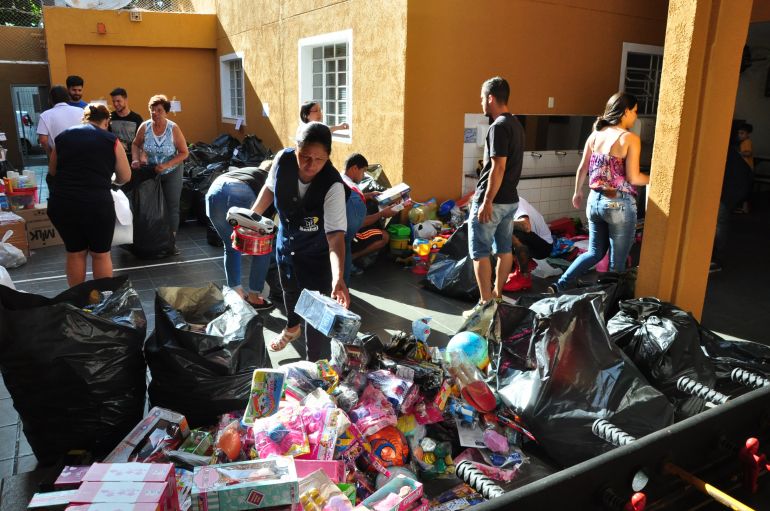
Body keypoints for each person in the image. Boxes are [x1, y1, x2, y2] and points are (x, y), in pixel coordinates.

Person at [251, 122, 350, 360]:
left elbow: (335, 236)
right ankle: (292, 328)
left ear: (328, 157)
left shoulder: (333, 186)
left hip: (317, 256)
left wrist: (338, 277)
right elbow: (269, 189)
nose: (310, 165)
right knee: (290, 291)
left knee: (316, 321)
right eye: (304, 156)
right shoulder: (282, 161)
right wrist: (250, 220)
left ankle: (314, 370)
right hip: (287, 245)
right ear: (296, 148)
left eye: (319, 159)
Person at [548, 92, 649, 293]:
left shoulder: (595, 135)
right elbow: (633, 178)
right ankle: (606, 304)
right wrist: (656, 179)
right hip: (618, 204)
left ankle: (559, 285)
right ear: (625, 111)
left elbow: (582, 168)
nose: (636, 116)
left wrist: (577, 192)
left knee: (594, 252)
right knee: (617, 263)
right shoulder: (629, 138)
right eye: (635, 111)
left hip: (594, 202)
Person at [47, 103, 131, 286]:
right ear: (106, 121)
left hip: (63, 203)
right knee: (100, 254)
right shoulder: (111, 140)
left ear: (84, 118)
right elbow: (125, 176)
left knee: (75, 252)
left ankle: (78, 302)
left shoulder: (62, 137)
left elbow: (53, 171)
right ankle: (103, 301)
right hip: (96, 205)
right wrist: (111, 181)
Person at [465, 76, 525, 316]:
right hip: (511, 200)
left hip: (495, 201)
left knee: (479, 252)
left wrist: (486, 200)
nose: (480, 102)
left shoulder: (498, 126)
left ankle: (485, 304)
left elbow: (498, 167)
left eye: (481, 97)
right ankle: (498, 297)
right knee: (504, 249)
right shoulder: (516, 124)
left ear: (491, 98)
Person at [205, 166, 274, 310]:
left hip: (214, 191)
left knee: (231, 245)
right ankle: (254, 296)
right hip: (239, 193)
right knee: (264, 247)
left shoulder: (248, 171)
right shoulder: (272, 178)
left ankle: (236, 293)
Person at [131, 94, 189, 252]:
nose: (154, 113)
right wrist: (135, 159)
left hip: (171, 171)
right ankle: (152, 239)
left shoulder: (173, 128)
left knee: (171, 206)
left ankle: (171, 242)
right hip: (151, 171)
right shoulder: (145, 126)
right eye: (152, 109)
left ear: (166, 112)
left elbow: (184, 152)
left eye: (159, 110)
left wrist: (167, 164)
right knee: (149, 205)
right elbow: (136, 144)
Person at [341, 153, 396, 281]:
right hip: (347, 235)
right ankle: (349, 260)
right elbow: (358, 223)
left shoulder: (340, 180)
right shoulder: (353, 189)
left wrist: (368, 195)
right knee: (384, 236)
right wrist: (382, 214)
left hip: (336, 233)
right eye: (364, 171)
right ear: (354, 168)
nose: (364, 175)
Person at [502, 196, 553, 292]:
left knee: (509, 230)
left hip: (543, 247)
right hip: (532, 241)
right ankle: (520, 266)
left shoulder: (514, 201)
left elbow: (526, 226)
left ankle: (524, 276)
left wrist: (499, 223)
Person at [36, 86, 85, 158]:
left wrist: (51, 154)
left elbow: (43, 140)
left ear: (50, 99)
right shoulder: (81, 111)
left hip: (60, 156)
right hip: (82, 154)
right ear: (68, 97)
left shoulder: (45, 115)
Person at [109, 88, 144, 159]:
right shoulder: (109, 117)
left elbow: (142, 141)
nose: (115, 104)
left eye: (118, 101)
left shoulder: (137, 118)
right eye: (113, 101)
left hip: (132, 159)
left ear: (125, 99)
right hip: (114, 158)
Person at [735, 122, 753, 214]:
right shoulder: (744, 142)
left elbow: (748, 153)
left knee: (744, 187)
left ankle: (745, 208)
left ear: (747, 134)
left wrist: (739, 153)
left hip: (746, 168)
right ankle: (744, 207)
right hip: (744, 168)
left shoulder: (747, 142)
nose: (740, 135)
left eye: (742, 133)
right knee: (743, 187)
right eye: (739, 133)